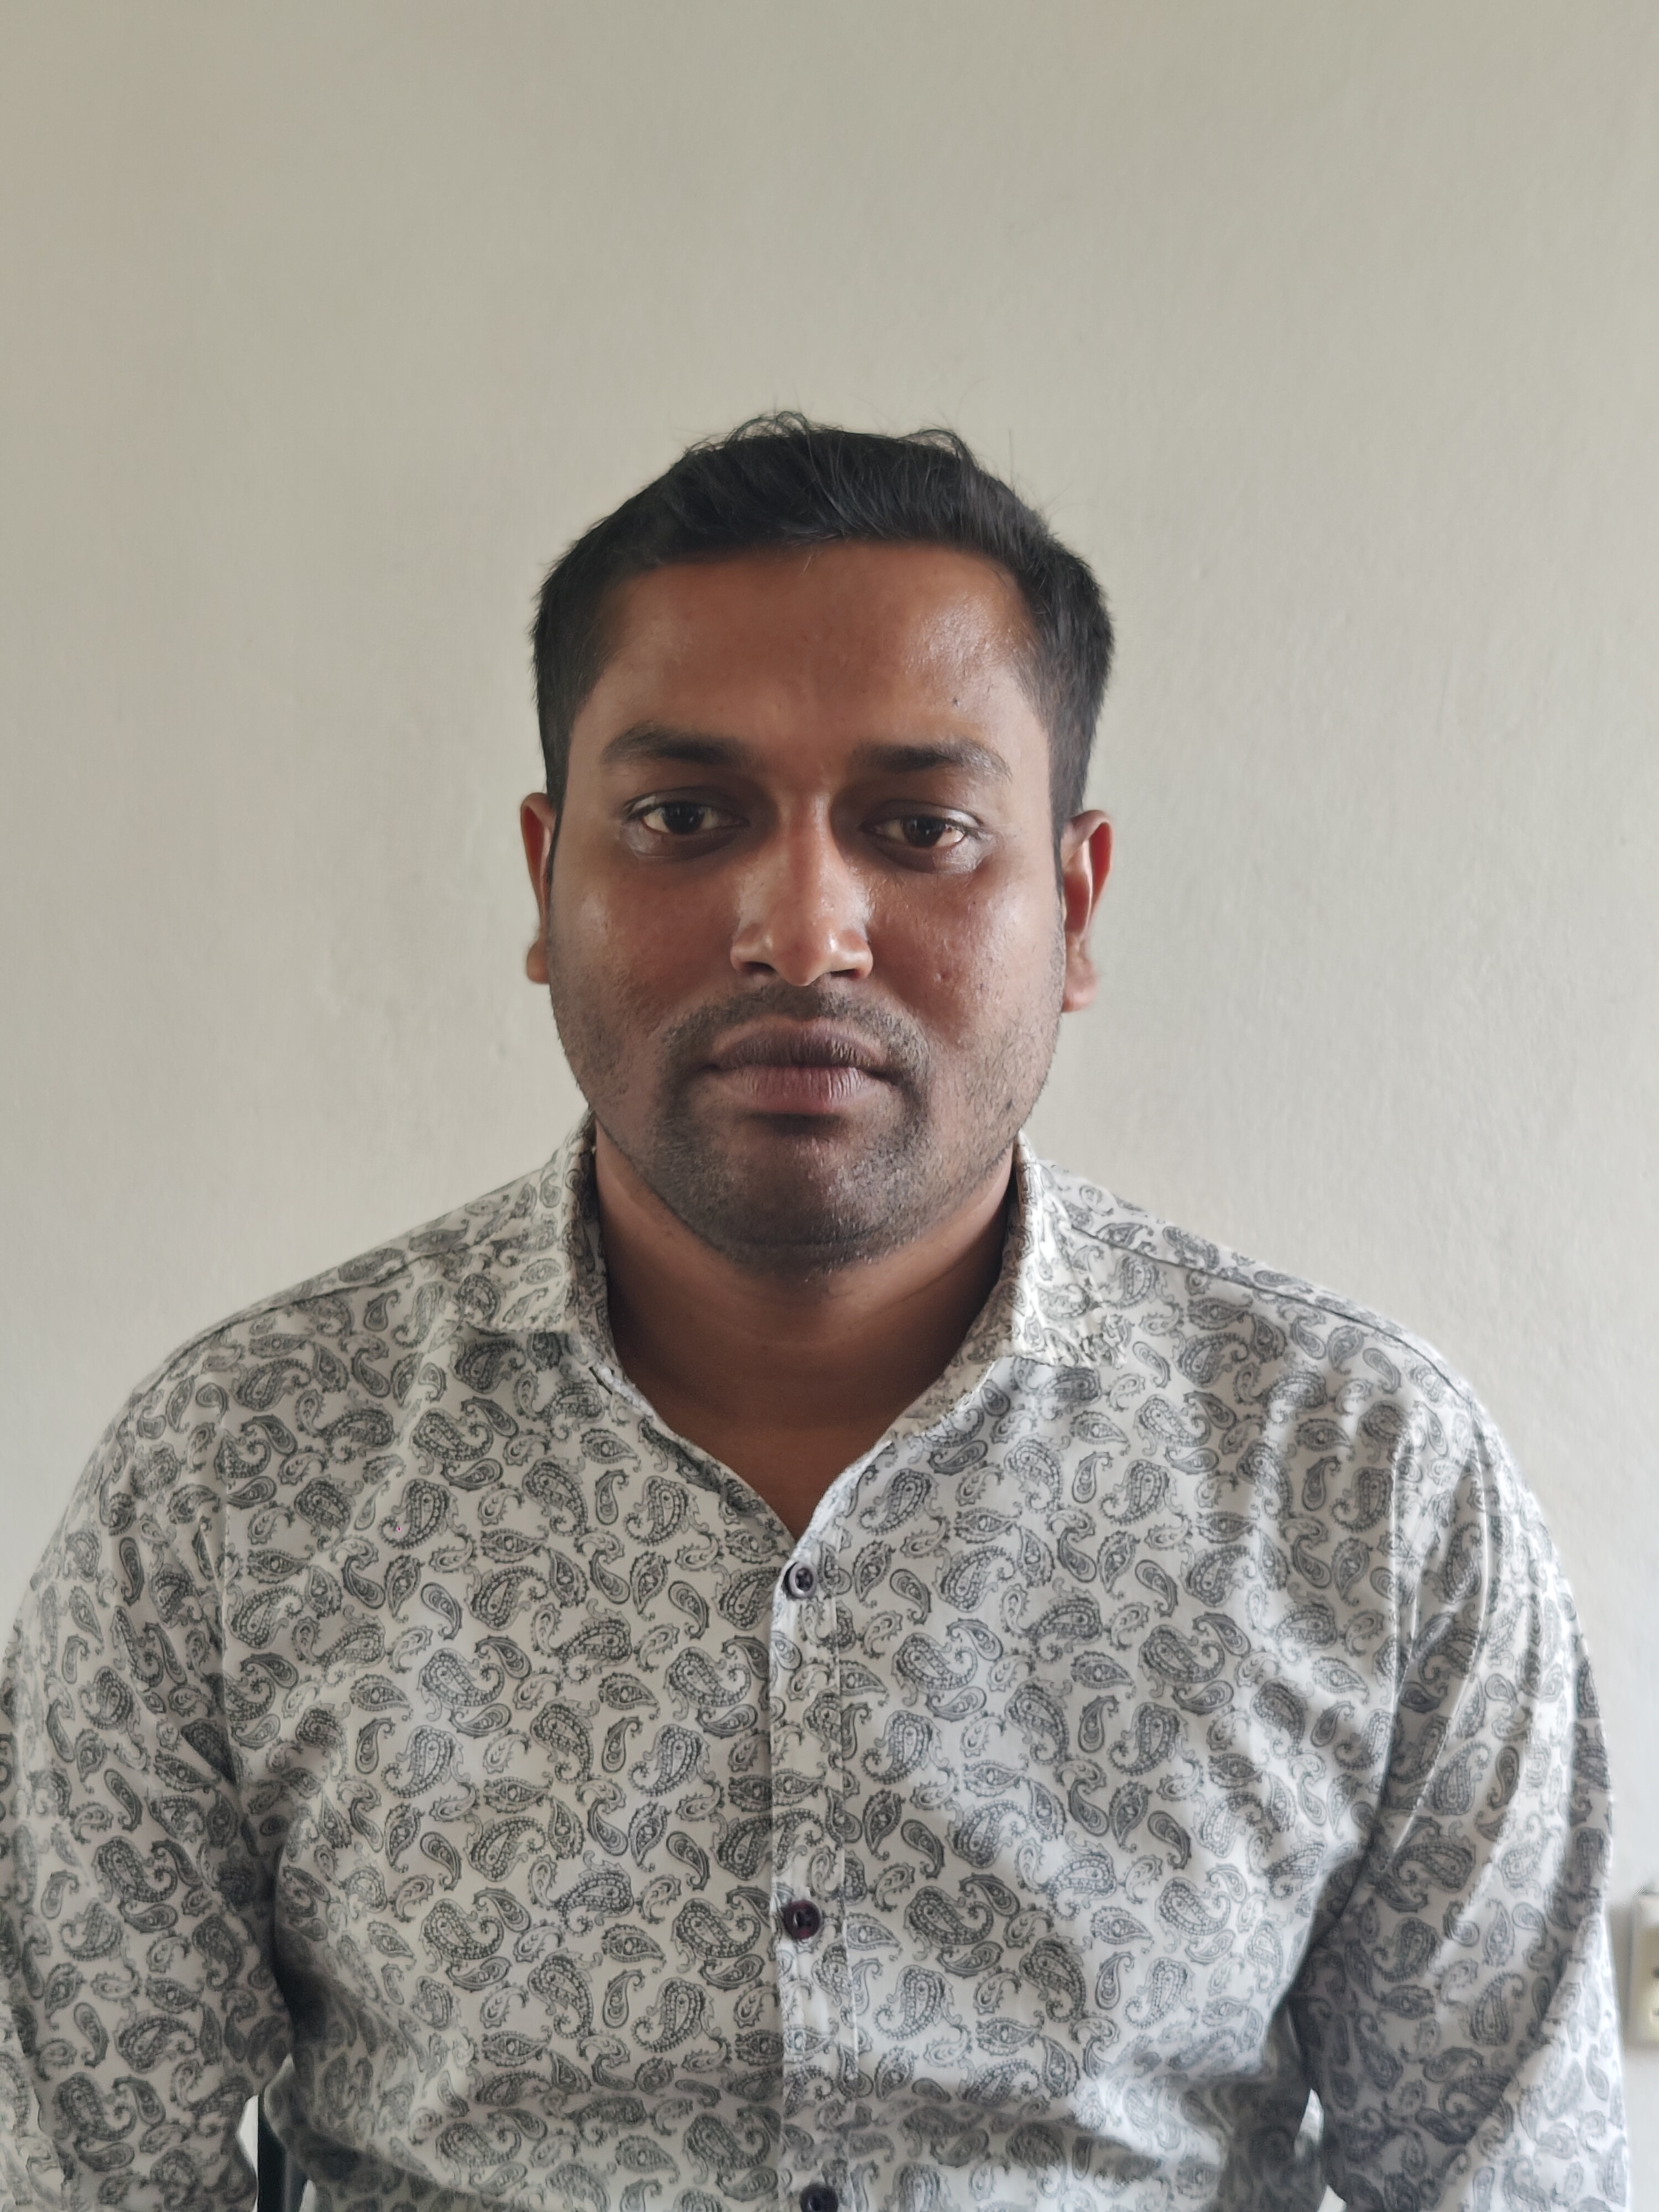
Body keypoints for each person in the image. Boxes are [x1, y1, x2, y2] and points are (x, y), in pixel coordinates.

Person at [0, 419, 1624, 2212]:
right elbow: (78, 2168)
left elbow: (1505, 2179)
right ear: (545, 878)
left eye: (921, 828)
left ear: (1074, 903)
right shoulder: (238, 1478)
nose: (803, 930)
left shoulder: (1362, 1480)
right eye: (684, 820)